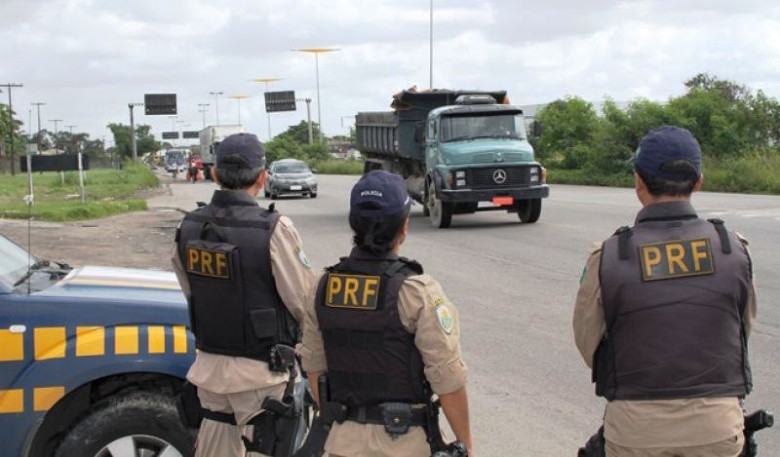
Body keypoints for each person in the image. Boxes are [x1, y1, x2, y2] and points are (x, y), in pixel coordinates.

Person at [573, 126, 756, 457]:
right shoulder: (734, 249)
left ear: (638, 182)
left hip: (635, 434)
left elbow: (589, 345)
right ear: (698, 181)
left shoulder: (608, 256)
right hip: (718, 433)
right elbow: (742, 329)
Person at [299, 170, 473, 457]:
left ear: (353, 223)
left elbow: (315, 368)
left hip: (343, 443)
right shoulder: (416, 291)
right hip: (405, 444)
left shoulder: (321, 286)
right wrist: (467, 446)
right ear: (403, 227)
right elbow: (449, 380)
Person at [172, 132, 314, 457]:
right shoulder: (274, 230)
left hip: (209, 375)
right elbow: (303, 303)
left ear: (214, 174)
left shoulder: (189, 228)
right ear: (262, 178)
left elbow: (190, 290)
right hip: (263, 380)